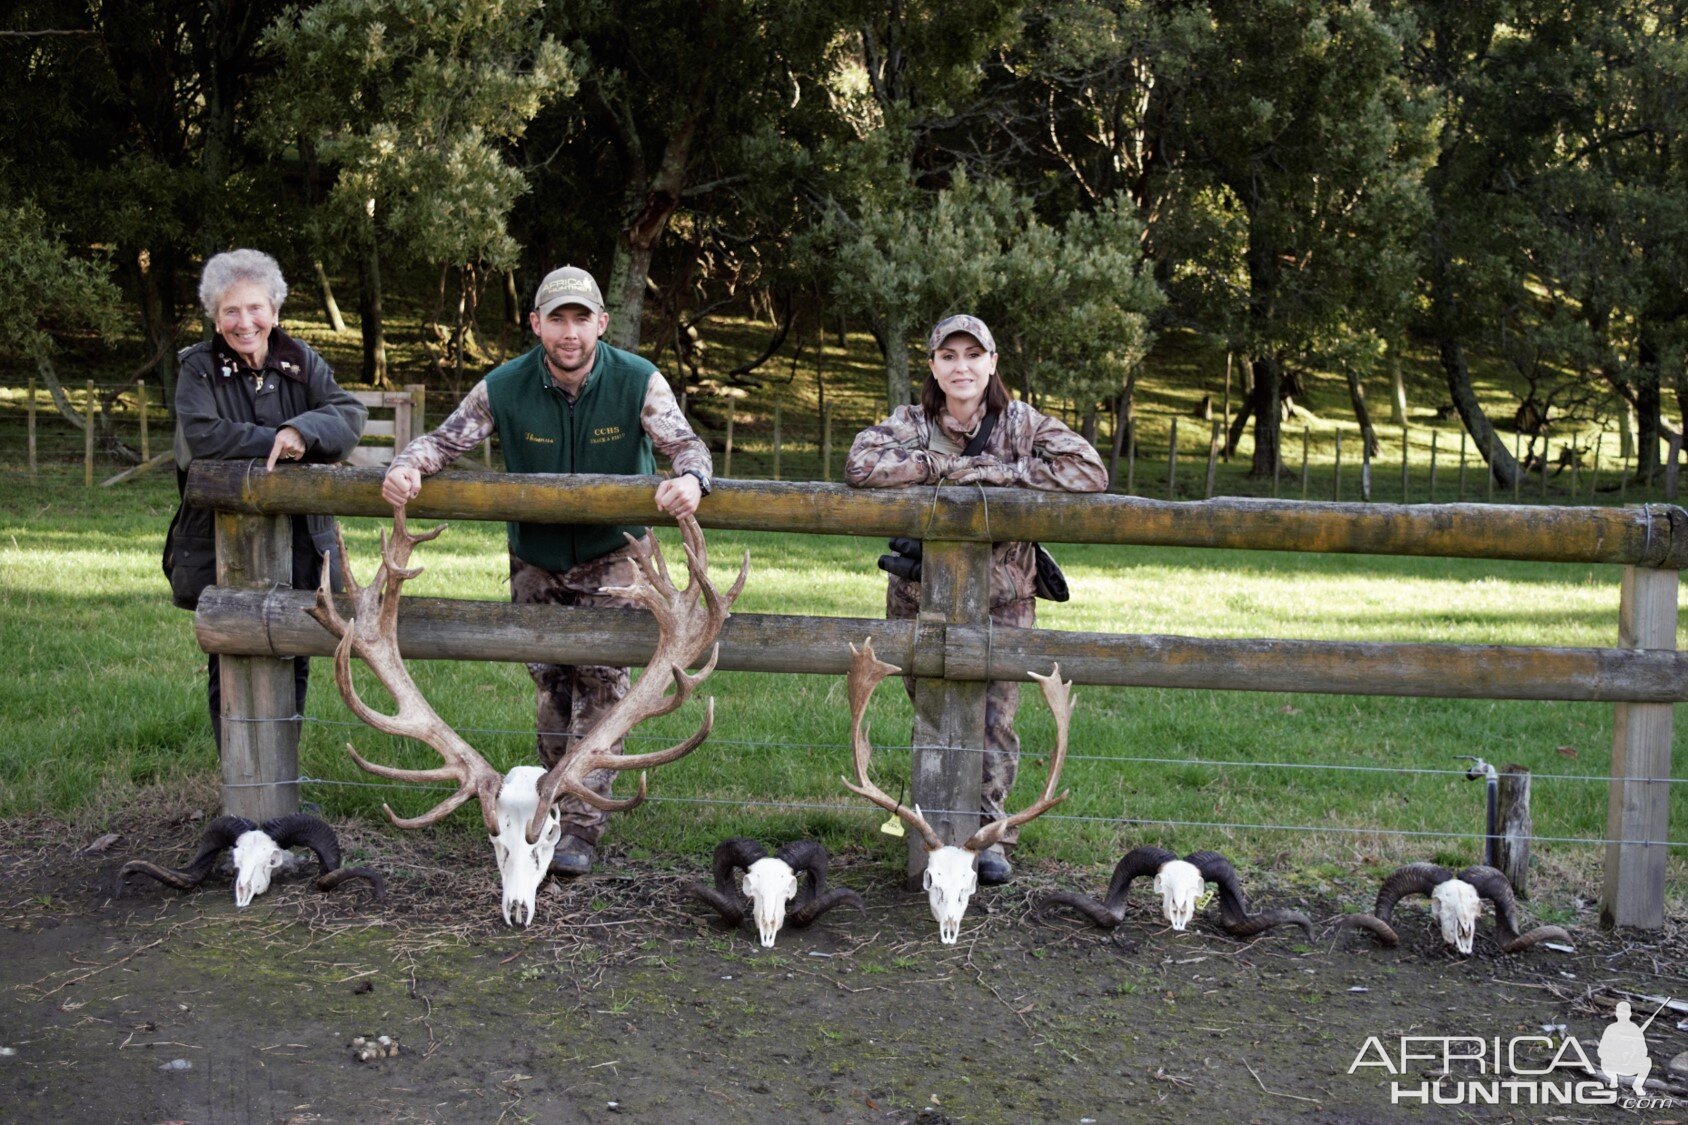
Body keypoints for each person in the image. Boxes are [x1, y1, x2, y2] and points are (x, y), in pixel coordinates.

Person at [382, 266, 712, 877]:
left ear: (601, 325)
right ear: (536, 324)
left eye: (580, 319)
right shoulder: (504, 386)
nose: (569, 332)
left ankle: (583, 824)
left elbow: (685, 445)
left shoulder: (638, 381)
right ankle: (550, 806)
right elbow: (446, 440)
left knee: (603, 685)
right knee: (552, 685)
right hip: (534, 561)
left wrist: (692, 479)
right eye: (556, 319)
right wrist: (409, 466)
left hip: (614, 557)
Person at [844, 313, 1106, 884]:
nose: (961, 367)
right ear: (934, 367)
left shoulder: (1023, 423)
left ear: (992, 363)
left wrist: (1001, 473)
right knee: (934, 712)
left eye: (973, 355)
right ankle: (935, 834)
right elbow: (860, 465)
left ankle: (991, 839)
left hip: (1003, 597)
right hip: (921, 597)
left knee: (994, 719)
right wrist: (943, 465)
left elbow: (1089, 470)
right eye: (949, 356)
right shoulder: (910, 423)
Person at [165, 249, 369, 752]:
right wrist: (281, 440)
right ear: (215, 317)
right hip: (221, 542)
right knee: (230, 648)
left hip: (302, 537)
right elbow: (204, 436)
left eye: (255, 308)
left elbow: (348, 414)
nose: (244, 322)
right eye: (231, 311)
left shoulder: (301, 360)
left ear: (274, 310)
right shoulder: (198, 369)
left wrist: (303, 429)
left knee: (295, 647)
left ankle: (281, 771)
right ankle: (239, 779)